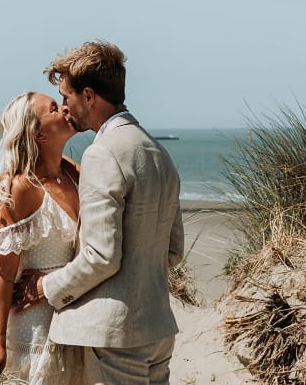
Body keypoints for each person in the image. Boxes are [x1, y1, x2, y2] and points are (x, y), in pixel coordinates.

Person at [14, 41, 184, 384]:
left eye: (66, 97)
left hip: (115, 335)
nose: (65, 107)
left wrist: (45, 286)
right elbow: (173, 251)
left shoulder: (103, 153)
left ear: (88, 96)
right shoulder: (157, 152)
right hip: (158, 329)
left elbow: (101, 257)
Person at [0, 91, 82, 385]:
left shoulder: (74, 173)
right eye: (54, 108)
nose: (66, 110)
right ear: (38, 134)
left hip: (72, 317)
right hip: (33, 326)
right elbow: (3, 273)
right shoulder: (22, 188)